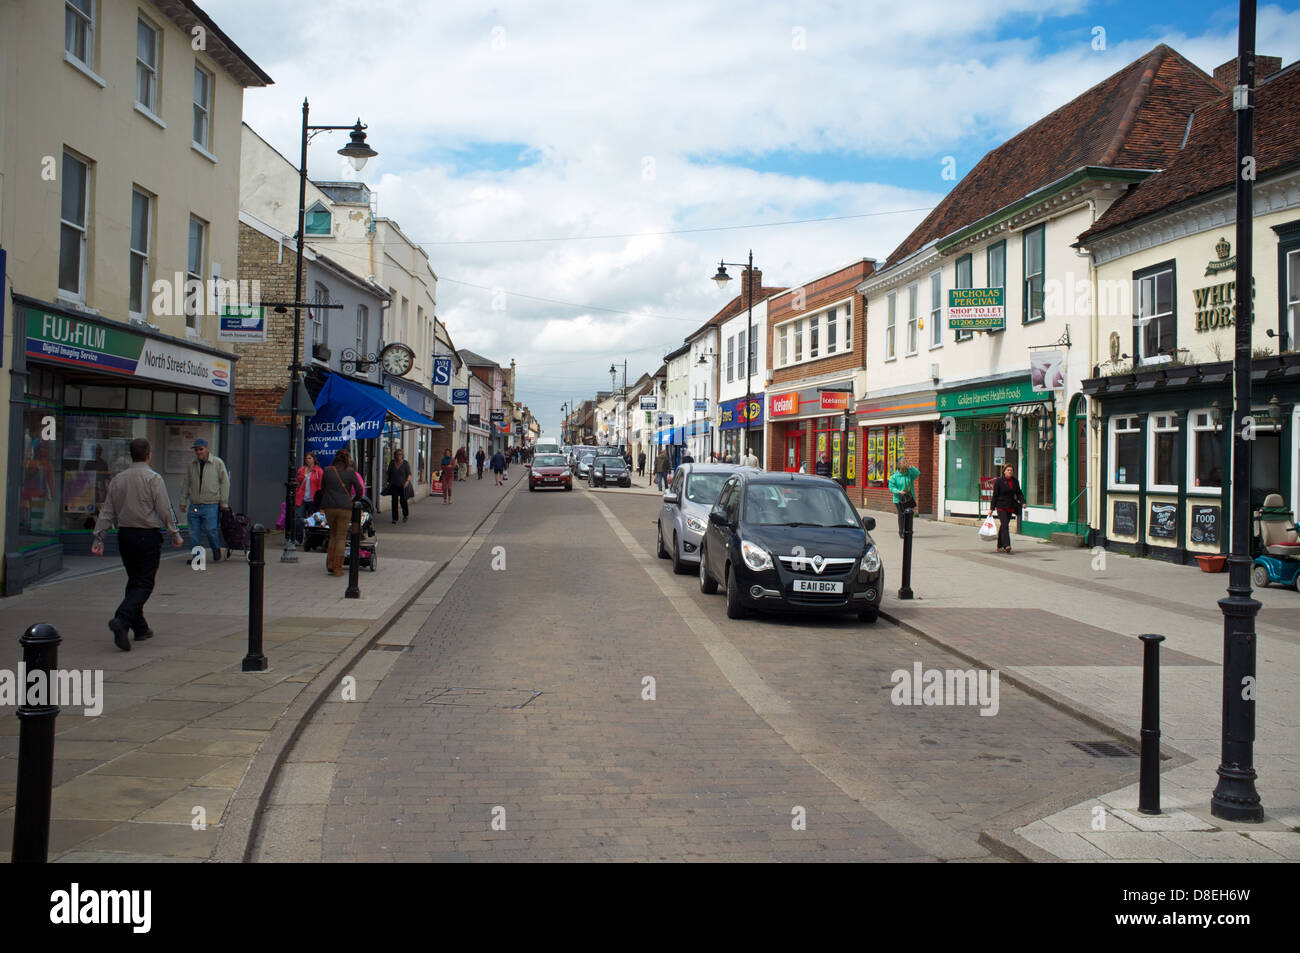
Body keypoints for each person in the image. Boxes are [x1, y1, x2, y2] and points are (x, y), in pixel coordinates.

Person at [91, 438, 183, 651]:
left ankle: (140, 628)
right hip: (146, 536)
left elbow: (107, 511)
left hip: (125, 535)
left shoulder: (118, 479)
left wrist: (99, 537)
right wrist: (174, 533)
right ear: (149, 454)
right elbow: (164, 509)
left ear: (131, 454)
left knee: (135, 581)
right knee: (144, 583)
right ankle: (122, 620)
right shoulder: (153, 478)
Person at [179, 437, 229, 564]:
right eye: (196, 450)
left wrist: (224, 502)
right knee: (193, 533)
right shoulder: (192, 465)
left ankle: (216, 549)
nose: (198, 452)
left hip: (211, 504)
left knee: (211, 530)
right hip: (195, 503)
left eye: (200, 449)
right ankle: (197, 557)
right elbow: (186, 483)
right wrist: (183, 501)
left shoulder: (217, 463)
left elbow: (225, 483)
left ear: (207, 449)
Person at [319, 449, 362, 576]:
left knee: (332, 535)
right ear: (346, 459)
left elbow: (323, 489)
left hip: (329, 507)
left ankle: (330, 564)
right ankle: (338, 568)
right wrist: (354, 501)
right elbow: (359, 490)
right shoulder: (350, 472)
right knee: (341, 537)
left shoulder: (327, 471)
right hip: (345, 507)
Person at [989, 464, 1027, 554]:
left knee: (1003, 526)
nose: (1010, 472)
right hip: (1001, 506)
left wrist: (1023, 502)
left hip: (1010, 506)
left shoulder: (1015, 481)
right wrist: (991, 509)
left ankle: (999, 546)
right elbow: (995, 495)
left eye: (1011, 470)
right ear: (1004, 471)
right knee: (1005, 525)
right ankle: (1007, 545)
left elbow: (1019, 493)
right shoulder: (999, 481)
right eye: (1008, 470)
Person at [295, 451, 324, 544]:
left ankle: (311, 540)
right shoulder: (301, 470)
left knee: (312, 519)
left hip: (312, 499)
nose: (307, 460)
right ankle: (298, 539)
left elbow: (320, 487)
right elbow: (297, 483)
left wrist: (319, 501)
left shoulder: (318, 471)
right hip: (301, 498)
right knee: (299, 518)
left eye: (309, 458)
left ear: (314, 460)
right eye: (306, 458)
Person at [889, 463, 921, 539]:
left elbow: (918, 473)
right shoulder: (894, 477)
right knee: (902, 515)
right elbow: (891, 487)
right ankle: (901, 532)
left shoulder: (909, 475)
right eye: (901, 470)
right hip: (899, 499)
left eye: (904, 470)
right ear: (898, 469)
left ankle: (909, 530)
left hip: (909, 498)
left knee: (909, 515)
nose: (903, 472)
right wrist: (898, 491)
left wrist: (911, 467)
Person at [386, 448, 412, 524]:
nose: (398, 456)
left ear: (402, 455)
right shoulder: (392, 463)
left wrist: (407, 481)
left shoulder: (405, 463)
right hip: (394, 484)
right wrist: (385, 481)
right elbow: (388, 473)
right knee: (394, 501)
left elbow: (409, 474)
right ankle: (394, 518)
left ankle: (405, 514)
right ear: (395, 455)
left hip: (403, 485)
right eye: (397, 454)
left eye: (400, 454)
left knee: (403, 501)